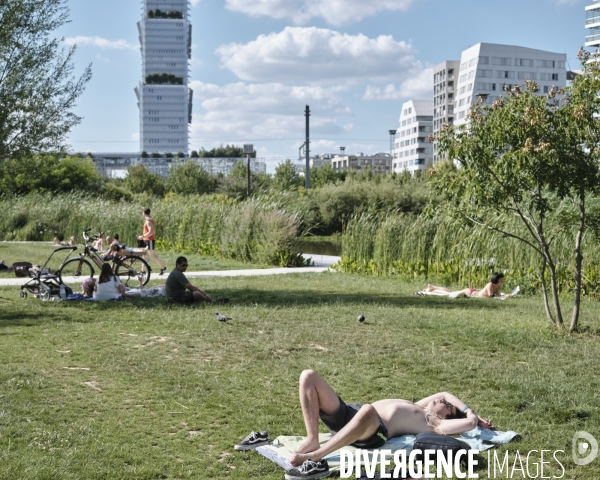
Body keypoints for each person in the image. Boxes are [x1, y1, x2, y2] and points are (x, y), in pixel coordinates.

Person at [277, 370, 493, 479]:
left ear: (446, 416)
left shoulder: (434, 425)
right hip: (350, 415)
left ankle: (316, 456)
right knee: (308, 376)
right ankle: (312, 439)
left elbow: (471, 423)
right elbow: (445, 391)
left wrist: (471, 415)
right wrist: (461, 407)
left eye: (447, 405)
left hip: (373, 431)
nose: (442, 400)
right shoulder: (417, 406)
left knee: (368, 410)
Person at [420, 272, 507, 298]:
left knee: (450, 291)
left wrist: (506, 296)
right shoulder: (490, 285)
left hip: (473, 291)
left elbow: (498, 296)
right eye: (501, 281)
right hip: (470, 292)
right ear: (496, 280)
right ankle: (433, 288)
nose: (502, 282)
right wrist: (505, 297)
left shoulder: (496, 287)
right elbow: (492, 297)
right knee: (449, 293)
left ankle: (433, 287)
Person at [138, 208, 167, 275]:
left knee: (152, 255)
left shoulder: (148, 221)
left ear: (144, 213)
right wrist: (143, 237)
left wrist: (143, 236)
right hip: (146, 240)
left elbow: (151, 231)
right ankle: (143, 271)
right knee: (144, 255)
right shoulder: (148, 220)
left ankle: (163, 268)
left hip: (149, 240)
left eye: (142, 212)